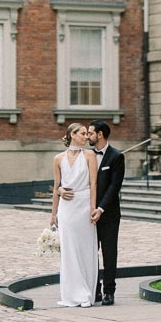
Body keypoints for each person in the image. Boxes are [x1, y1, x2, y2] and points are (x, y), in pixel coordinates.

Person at [50, 121, 98, 308]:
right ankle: (71, 294)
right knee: (69, 251)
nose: (86, 137)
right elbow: (56, 186)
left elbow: (94, 184)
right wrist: (53, 214)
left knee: (84, 248)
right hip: (66, 208)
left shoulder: (89, 155)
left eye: (87, 134)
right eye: (83, 133)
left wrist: (93, 208)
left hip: (84, 204)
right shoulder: (58, 158)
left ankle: (85, 294)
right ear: (72, 135)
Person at [88, 120, 125, 305]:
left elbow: (114, 187)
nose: (88, 136)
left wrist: (100, 208)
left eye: (91, 133)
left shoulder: (116, 157)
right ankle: (94, 290)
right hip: (87, 215)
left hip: (108, 215)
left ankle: (109, 291)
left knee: (109, 254)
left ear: (100, 134)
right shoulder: (86, 156)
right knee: (90, 253)